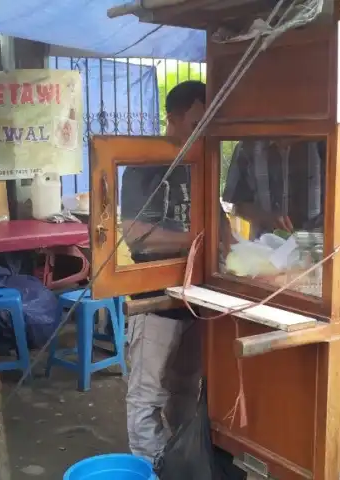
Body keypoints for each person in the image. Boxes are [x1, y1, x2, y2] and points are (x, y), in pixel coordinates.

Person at [121, 80, 207, 462]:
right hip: (153, 296)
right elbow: (135, 235)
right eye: (195, 122)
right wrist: (197, 238)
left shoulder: (202, 161)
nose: (201, 132)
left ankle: (178, 460)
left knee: (186, 386)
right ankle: (149, 467)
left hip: (194, 296)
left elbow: (218, 225)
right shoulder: (147, 164)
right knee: (146, 394)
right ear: (173, 118)